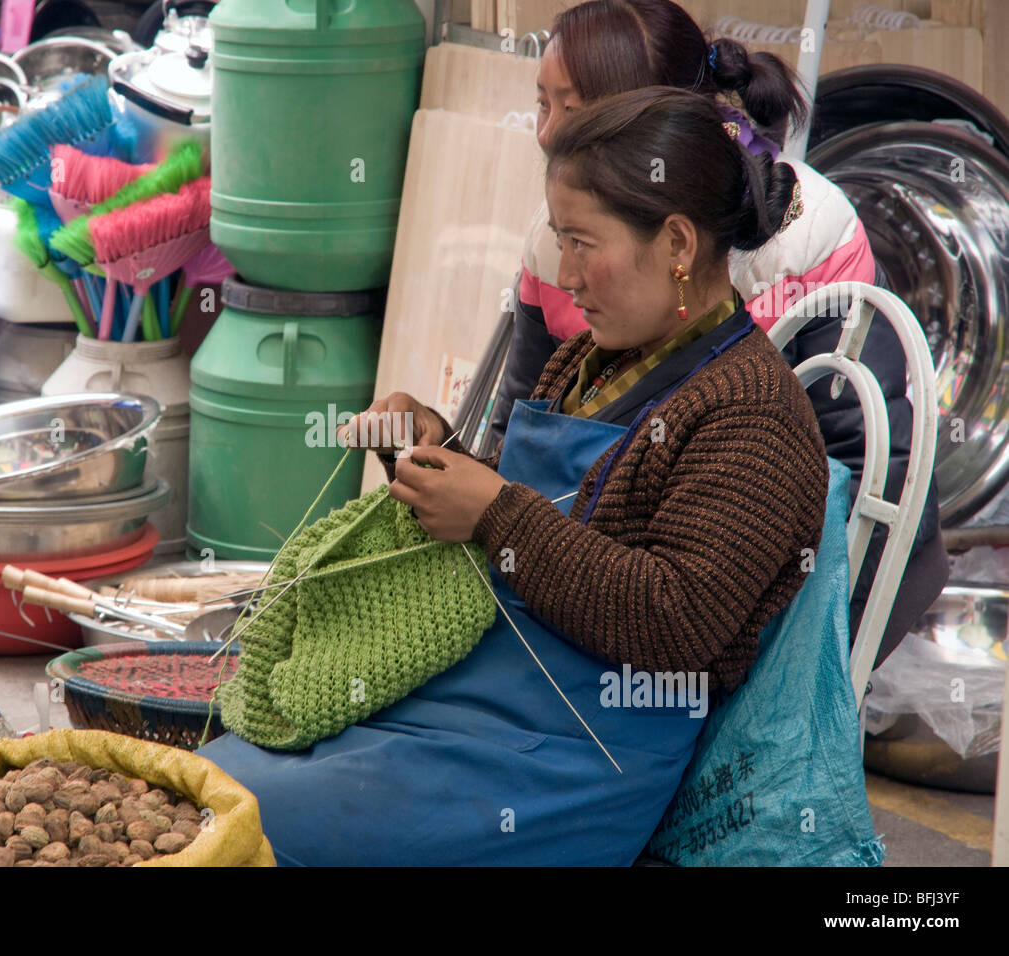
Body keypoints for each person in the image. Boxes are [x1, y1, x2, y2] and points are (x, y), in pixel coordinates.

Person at [197, 88, 833, 866]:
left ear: (675, 242)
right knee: (206, 784)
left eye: (581, 242)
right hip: (470, 703)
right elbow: (532, 509)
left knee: (237, 822)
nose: (563, 275)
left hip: (569, 760)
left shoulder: (752, 414)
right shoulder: (585, 362)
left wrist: (494, 512)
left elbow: (676, 622)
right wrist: (430, 455)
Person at [488, 0, 944, 666]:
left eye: (579, 111)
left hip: (739, 606)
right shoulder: (562, 248)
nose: (549, 136)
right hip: (601, 610)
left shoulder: (800, 246)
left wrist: (787, 672)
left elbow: (871, 473)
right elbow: (520, 443)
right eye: (543, 105)